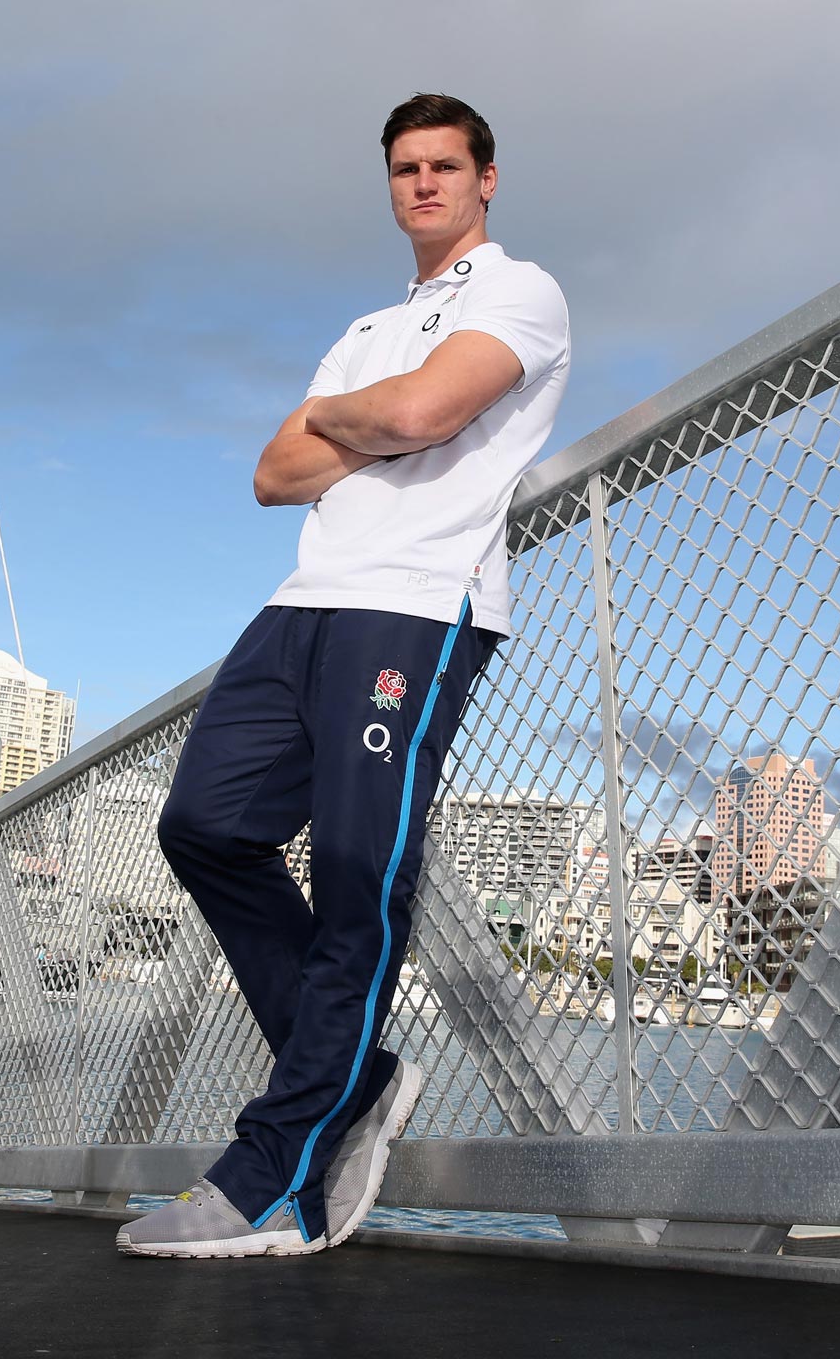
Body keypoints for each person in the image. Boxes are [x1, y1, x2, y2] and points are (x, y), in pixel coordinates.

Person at [117, 94, 570, 1258]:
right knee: (204, 827)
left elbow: (426, 410)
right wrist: (352, 416)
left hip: (412, 608)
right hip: (301, 609)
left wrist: (344, 423)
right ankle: (354, 1078)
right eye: (403, 169)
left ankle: (278, 1165)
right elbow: (274, 475)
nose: (422, 183)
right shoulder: (363, 329)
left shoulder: (521, 292)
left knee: (359, 877)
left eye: (442, 166)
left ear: (485, 179)